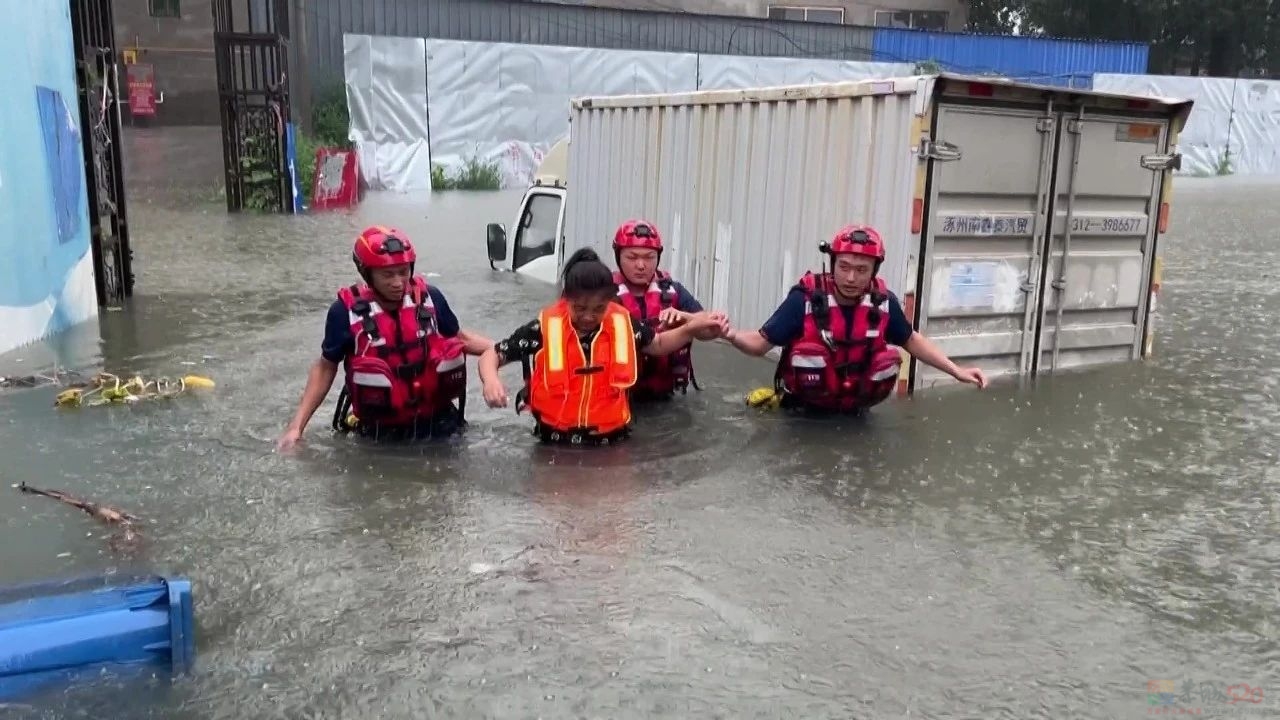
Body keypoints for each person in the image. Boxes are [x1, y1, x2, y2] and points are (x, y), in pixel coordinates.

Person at [724, 224, 988, 414]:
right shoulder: (803, 301)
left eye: (862, 270)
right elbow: (760, 343)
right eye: (844, 267)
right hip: (801, 417)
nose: (851, 278)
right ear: (832, 263)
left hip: (857, 416)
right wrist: (729, 334)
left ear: (874, 271)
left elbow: (912, 341)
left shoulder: (883, 304)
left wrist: (957, 371)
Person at [477, 248, 727, 446]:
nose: (588, 316)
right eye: (580, 308)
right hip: (553, 445)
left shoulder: (623, 323)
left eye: (598, 309)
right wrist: (491, 381)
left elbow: (659, 344)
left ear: (610, 301)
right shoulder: (544, 328)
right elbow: (493, 354)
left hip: (613, 445)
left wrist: (691, 328)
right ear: (567, 300)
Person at [277, 226, 494, 449]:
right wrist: (296, 427)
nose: (398, 282)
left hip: (441, 425)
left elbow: (461, 339)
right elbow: (325, 368)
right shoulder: (344, 313)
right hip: (379, 435)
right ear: (367, 274)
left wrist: (499, 352)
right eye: (388, 275)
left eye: (403, 272)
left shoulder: (431, 299)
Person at [609, 219, 721, 402]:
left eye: (649, 257)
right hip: (620, 397)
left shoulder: (673, 291)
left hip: (668, 396)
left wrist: (685, 318)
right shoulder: (603, 295)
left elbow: (709, 330)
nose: (641, 265)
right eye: (632, 257)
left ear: (658, 258)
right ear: (618, 257)